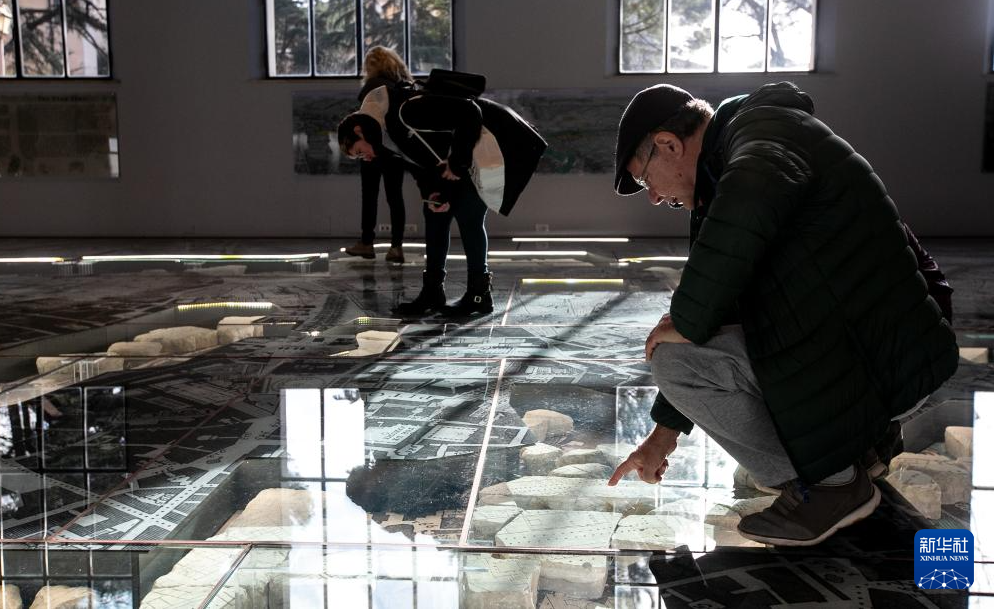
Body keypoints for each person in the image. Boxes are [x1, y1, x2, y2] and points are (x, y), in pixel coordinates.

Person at [606, 81, 959, 546]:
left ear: (669, 144)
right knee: (693, 350)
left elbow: (741, 224)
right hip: (885, 351)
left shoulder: (763, 137)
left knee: (676, 360)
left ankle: (830, 486)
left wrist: (687, 321)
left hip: (893, 358)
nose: (652, 197)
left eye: (644, 179)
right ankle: (861, 452)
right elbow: (725, 295)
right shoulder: (731, 168)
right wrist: (660, 439)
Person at [337, 71, 546, 318]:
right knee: (435, 214)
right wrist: (434, 193)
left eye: (360, 152)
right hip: (470, 155)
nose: (366, 158)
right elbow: (422, 164)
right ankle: (432, 292)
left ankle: (479, 294)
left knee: (469, 215)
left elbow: (469, 112)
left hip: (499, 140)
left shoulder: (406, 110)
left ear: (360, 131)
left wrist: (457, 163)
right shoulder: (388, 131)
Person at [344, 47, 409, 264]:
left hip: (372, 147)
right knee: (395, 197)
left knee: (370, 195)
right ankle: (396, 247)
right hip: (395, 150)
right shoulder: (400, 86)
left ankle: (367, 243)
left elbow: (364, 120)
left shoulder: (371, 87)